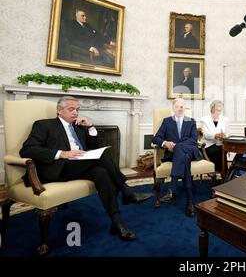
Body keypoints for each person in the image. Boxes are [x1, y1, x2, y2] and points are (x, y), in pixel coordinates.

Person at [19, 96, 152, 241]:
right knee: (102, 157)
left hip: (80, 165)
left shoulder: (79, 127)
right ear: (59, 110)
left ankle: (117, 222)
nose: (75, 113)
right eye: (71, 109)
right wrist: (63, 153)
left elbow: (94, 148)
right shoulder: (44, 125)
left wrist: (90, 127)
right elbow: (27, 150)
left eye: (77, 109)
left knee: (102, 172)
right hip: (58, 167)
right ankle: (127, 191)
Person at [152, 98, 203, 217]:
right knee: (184, 159)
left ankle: (173, 189)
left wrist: (177, 146)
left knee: (179, 148)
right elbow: (156, 138)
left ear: (184, 108)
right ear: (173, 108)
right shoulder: (167, 121)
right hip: (177, 156)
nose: (180, 109)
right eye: (177, 107)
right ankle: (190, 200)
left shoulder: (191, 121)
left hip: (190, 151)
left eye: (182, 107)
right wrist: (165, 143)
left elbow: (193, 140)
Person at [200, 100, 228, 174]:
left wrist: (224, 135)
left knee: (224, 149)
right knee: (221, 150)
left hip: (220, 144)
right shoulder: (204, 119)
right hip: (208, 145)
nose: (219, 111)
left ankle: (225, 173)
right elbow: (205, 134)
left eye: (220, 110)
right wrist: (215, 135)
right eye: (217, 109)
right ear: (212, 108)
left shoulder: (225, 119)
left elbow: (228, 133)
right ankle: (220, 171)